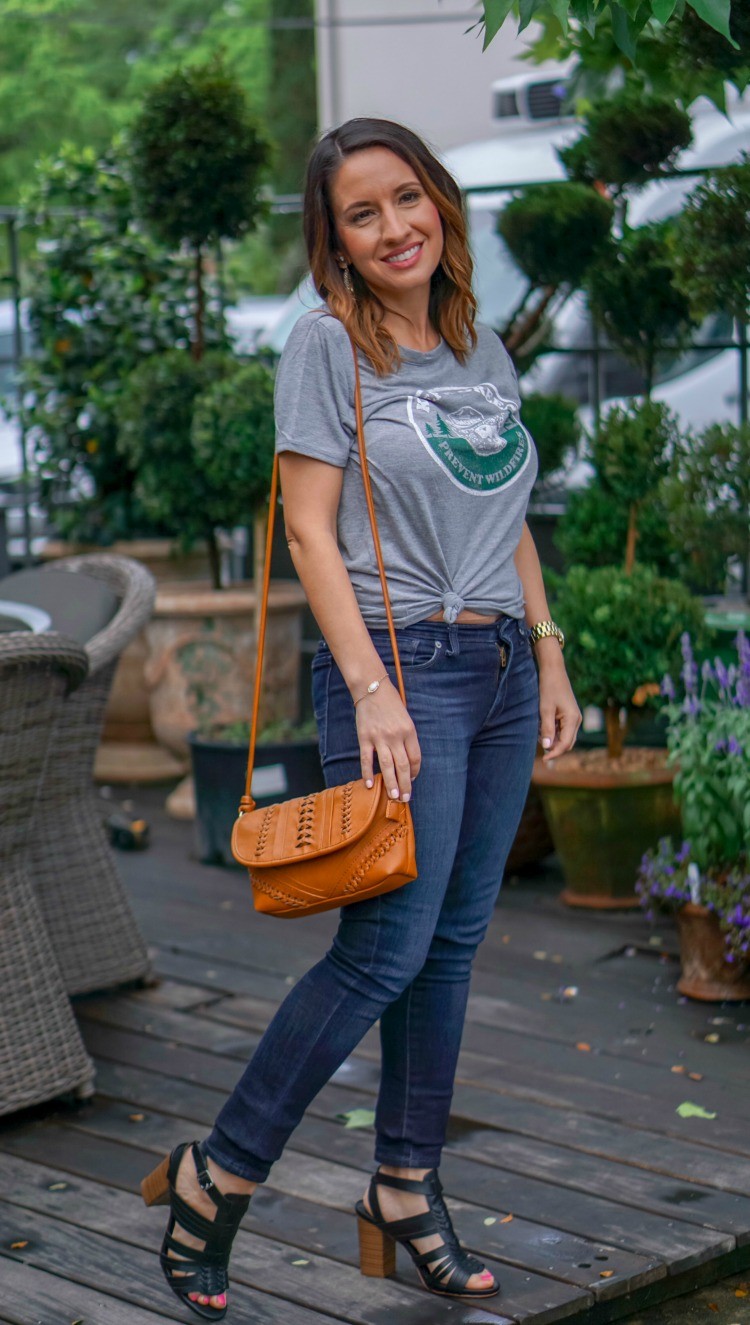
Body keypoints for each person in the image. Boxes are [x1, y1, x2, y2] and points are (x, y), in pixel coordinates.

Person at [141, 117, 582, 1321]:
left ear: (439, 200)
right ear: (333, 240)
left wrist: (546, 657)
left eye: (407, 199)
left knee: (448, 942)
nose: (396, 228)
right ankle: (215, 1173)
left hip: (493, 668)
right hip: (400, 667)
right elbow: (308, 532)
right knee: (384, 947)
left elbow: (507, 517)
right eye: (362, 213)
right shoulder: (326, 346)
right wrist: (375, 686)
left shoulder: (476, 339)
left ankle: (404, 1183)